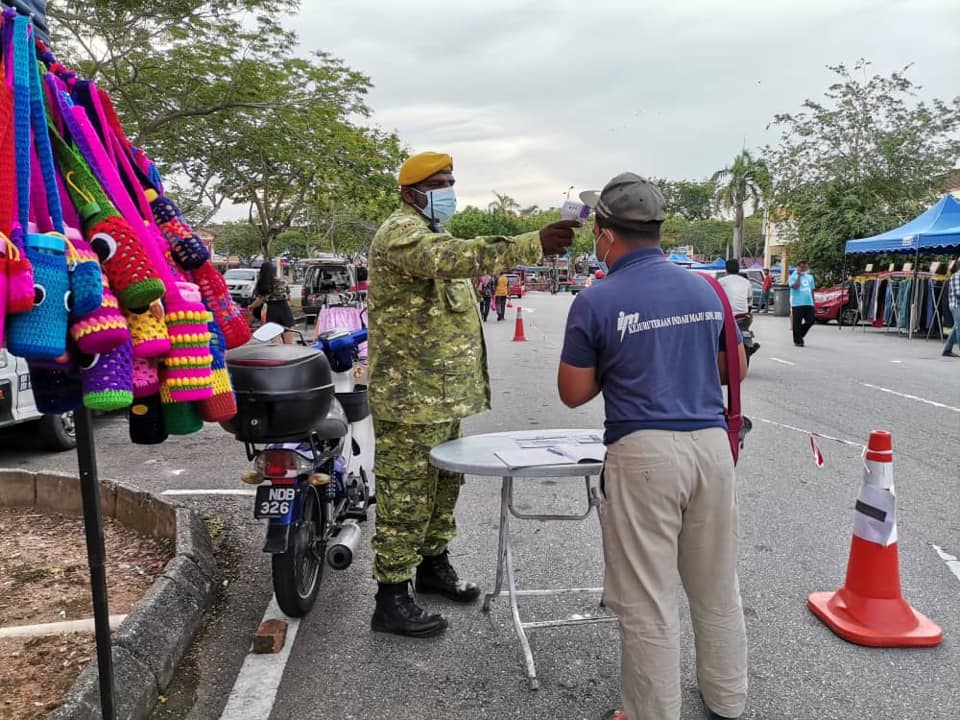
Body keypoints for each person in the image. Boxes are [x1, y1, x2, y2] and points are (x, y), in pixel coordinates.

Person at [557, 172, 748, 720]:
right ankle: (727, 699)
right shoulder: (706, 288)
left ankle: (649, 714)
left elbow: (573, 392)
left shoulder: (597, 300)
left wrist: (625, 355)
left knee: (647, 597)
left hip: (643, 456)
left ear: (605, 232)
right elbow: (734, 366)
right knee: (715, 585)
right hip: (711, 449)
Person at [367, 151, 577, 638]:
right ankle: (391, 597)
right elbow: (459, 257)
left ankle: (432, 566)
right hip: (409, 399)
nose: (449, 190)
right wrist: (532, 242)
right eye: (440, 183)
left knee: (443, 488)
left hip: (440, 397)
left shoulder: (431, 232)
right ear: (410, 192)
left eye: (451, 181)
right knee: (405, 496)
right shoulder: (402, 233)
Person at [248, 261, 295, 343]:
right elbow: (289, 298)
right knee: (289, 342)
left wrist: (251, 306)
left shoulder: (262, 284)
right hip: (284, 309)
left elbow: (259, 301)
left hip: (271, 311)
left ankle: (276, 355)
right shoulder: (282, 281)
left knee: (275, 340)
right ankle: (289, 354)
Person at [789, 260, 816, 346]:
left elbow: (812, 289)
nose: (803, 268)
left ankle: (799, 335)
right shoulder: (793, 276)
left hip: (808, 303)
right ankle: (798, 341)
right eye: (801, 267)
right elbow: (795, 286)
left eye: (805, 267)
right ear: (798, 267)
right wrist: (799, 277)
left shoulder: (810, 277)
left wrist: (813, 300)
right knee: (797, 322)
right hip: (797, 303)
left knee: (811, 320)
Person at [942, 257, 960, 357]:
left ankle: (947, 350)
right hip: (956, 305)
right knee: (959, 328)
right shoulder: (956, 276)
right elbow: (958, 293)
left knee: (956, 327)